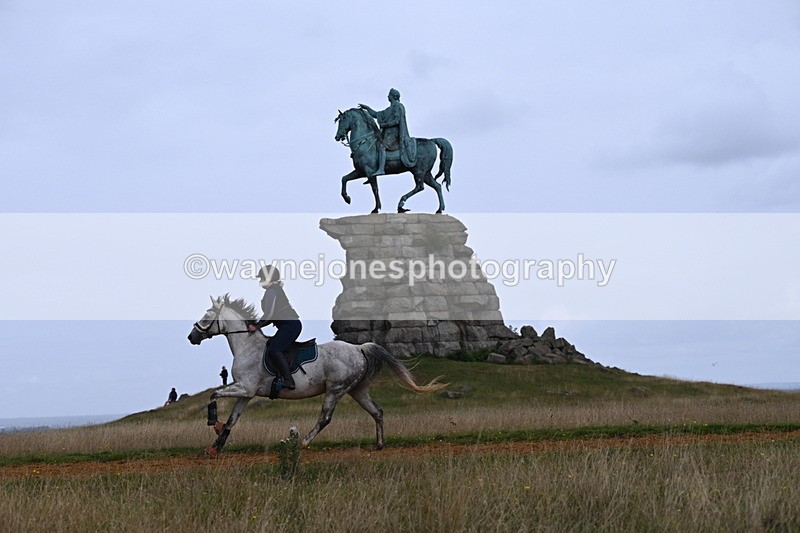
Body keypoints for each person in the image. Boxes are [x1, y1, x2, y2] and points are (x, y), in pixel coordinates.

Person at [247, 265, 302, 389]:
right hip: (287, 325)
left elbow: (269, 314)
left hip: (290, 325)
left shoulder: (272, 291)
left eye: (262, 278)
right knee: (271, 345)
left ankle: (289, 380)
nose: (260, 281)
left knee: (274, 349)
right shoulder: (274, 290)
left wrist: (256, 326)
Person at [359, 88, 416, 176]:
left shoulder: (398, 106)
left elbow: (397, 121)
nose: (387, 97)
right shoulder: (389, 109)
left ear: (393, 96)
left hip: (395, 134)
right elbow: (376, 114)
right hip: (387, 134)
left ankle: (381, 169)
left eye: (389, 95)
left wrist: (385, 125)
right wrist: (367, 108)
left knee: (382, 146)